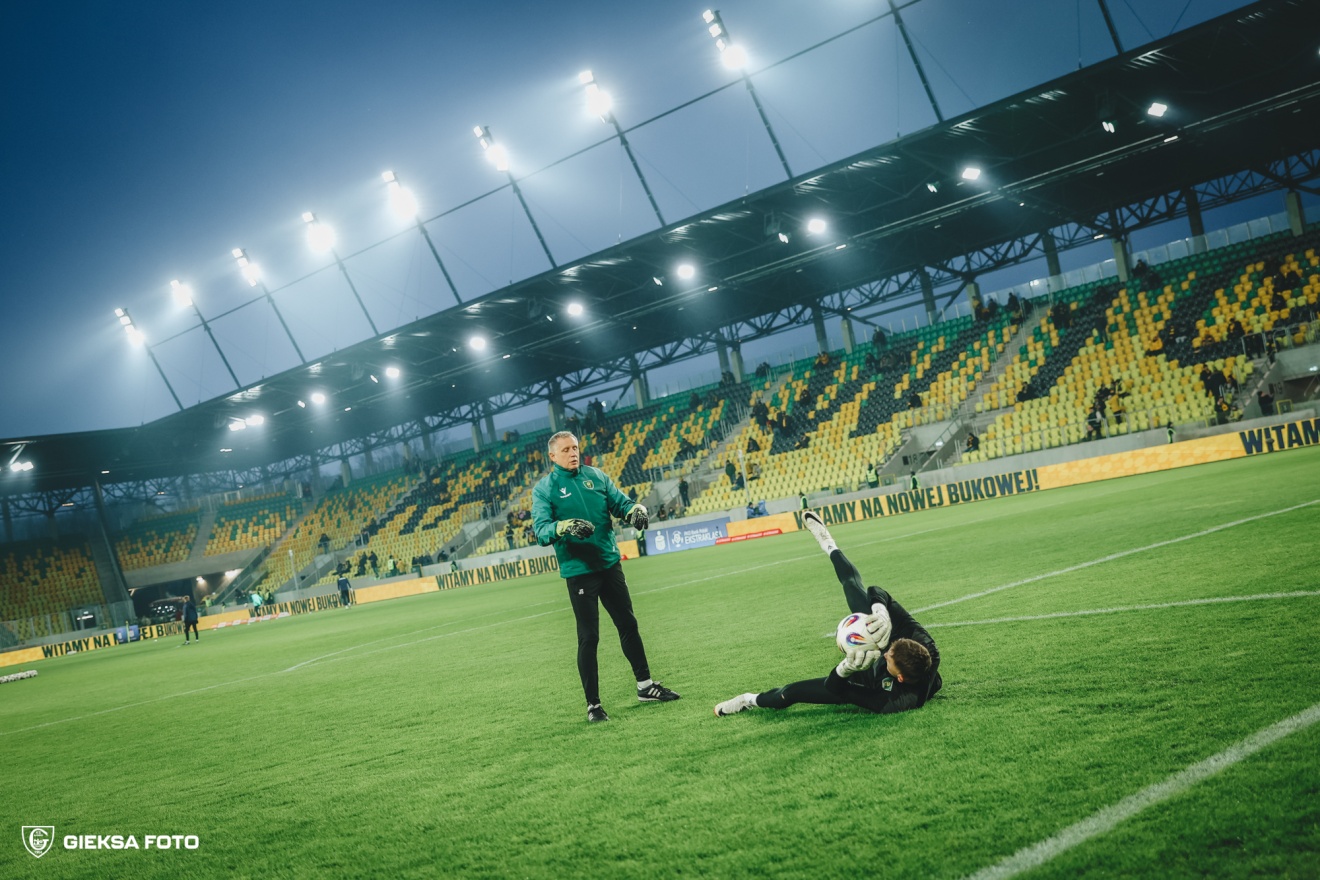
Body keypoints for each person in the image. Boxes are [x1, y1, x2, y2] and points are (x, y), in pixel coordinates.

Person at [714, 510, 940, 717]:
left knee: (790, 693)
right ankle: (828, 542)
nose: (886, 651)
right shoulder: (923, 644)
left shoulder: (893, 701)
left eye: (889, 655)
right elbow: (876, 591)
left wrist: (845, 669)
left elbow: (835, 689)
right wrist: (881, 613)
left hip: (864, 678)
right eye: (891, 647)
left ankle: (747, 700)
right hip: (883, 652)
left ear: (899, 677)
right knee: (853, 587)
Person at [532, 431, 680, 723]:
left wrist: (635, 510)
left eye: (575, 448)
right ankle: (594, 705)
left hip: (610, 564)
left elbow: (621, 504)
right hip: (579, 572)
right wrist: (564, 526)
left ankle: (645, 686)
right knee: (589, 637)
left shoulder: (596, 476)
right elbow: (541, 531)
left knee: (628, 624)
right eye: (566, 450)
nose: (573, 453)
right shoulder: (545, 489)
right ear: (552, 456)